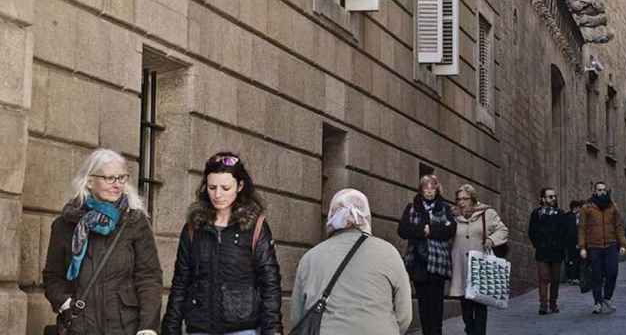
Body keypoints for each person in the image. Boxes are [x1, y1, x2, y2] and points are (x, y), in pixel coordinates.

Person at [43, 149, 163, 335]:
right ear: (89, 181)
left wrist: (148, 327)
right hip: (79, 327)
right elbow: (53, 275)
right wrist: (65, 303)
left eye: (122, 178)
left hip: (125, 328)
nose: (117, 184)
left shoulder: (135, 222)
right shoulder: (65, 224)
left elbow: (149, 277)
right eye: (110, 178)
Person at [162, 152, 283, 335]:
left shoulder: (255, 227)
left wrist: (272, 330)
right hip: (200, 327)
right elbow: (181, 282)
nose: (218, 194)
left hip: (243, 328)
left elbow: (270, 283)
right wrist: (170, 328)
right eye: (212, 187)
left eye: (225, 188)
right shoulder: (194, 227)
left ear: (240, 186)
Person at [290, 188, 412, 335]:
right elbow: (405, 315)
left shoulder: (310, 258)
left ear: (331, 216)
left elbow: (297, 317)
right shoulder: (389, 253)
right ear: (366, 216)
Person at [398, 174, 456, 335]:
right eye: (426, 188)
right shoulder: (412, 208)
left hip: (438, 262)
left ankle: (436, 332)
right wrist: (421, 231)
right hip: (419, 261)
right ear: (421, 190)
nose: (429, 191)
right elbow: (402, 229)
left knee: (437, 303)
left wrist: (432, 231)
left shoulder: (444, 208)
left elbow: (451, 230)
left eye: (432, 188)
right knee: (423, 302)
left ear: (437, 189)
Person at [449, 184, 509, 333]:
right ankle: (470, 330)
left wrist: (491, 239)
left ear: (473, 199)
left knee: (480, 305)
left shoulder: (486, 213)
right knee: (466, 308)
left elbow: (502, 230)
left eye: (465, 198)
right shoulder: (453, 216)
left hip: (480, 266)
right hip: (461, 267)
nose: (461, 202)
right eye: (459, 199)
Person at [577, 182, 626, 315]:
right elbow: (581, 228)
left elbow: (619, 226)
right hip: (594, 246)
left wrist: (622, 244)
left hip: (611, 245)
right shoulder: (587, 208)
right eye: (599, 190)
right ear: (594, 191)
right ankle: (597, 302)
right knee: (596, 275)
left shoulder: (612, 207)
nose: (602, 192)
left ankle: (607, 297)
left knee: (612, 272)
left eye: (604, 190)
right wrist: (582, 247)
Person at [528, 187, 567, 314]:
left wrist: (561, 246)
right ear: (543, 199)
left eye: (554, 196)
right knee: (543, 278)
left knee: (555, 279)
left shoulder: (560, 213)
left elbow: (564, 232)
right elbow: (531, 231)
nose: (553, 199)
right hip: (542, 251)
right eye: (550, 197)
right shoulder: (537, 213)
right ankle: (543, 305)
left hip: (556, 252)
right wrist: (538, 244)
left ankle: (553, 303)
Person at [563, 200, 584, 285]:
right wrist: (577, 243)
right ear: (576, 207)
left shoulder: (566, 216)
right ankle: (574, 278)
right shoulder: (572, 217)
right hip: (573, 243)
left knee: (570, 261)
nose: (580, 209)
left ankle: (570, 278)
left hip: (567, 243)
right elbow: (572, 232)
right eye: (579, 207)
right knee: (575, 260)